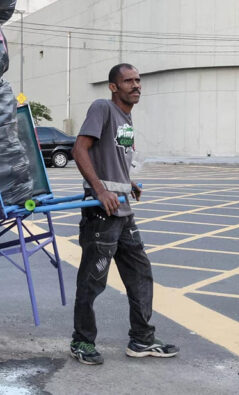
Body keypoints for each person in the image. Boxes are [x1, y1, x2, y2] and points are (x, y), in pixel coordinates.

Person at [69, 63, 179, 365]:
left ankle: (142, 339)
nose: (136, 85)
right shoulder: (102, 107)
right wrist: (99, 190)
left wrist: (125, 183)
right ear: (113, 87)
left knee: (140, 275)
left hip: (124, 212)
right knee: (92, 281)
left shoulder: (127, 119)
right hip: (102, 214)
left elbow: (113, 159)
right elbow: (80, 149)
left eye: (138, 80)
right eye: (128, 81)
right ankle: (82, 342)